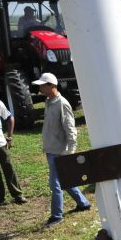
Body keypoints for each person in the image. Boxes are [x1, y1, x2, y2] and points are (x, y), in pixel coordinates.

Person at [31, 72, 91, 228]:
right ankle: (83, 203)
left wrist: (70, 152)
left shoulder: (62, 103)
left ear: (51, 85)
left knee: (54, 184)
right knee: (65, 179)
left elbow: (70, 129)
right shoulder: (48, 101)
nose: (40, 88)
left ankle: (56, 215)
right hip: (51, 149)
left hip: (59, 151)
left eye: (42, 86)